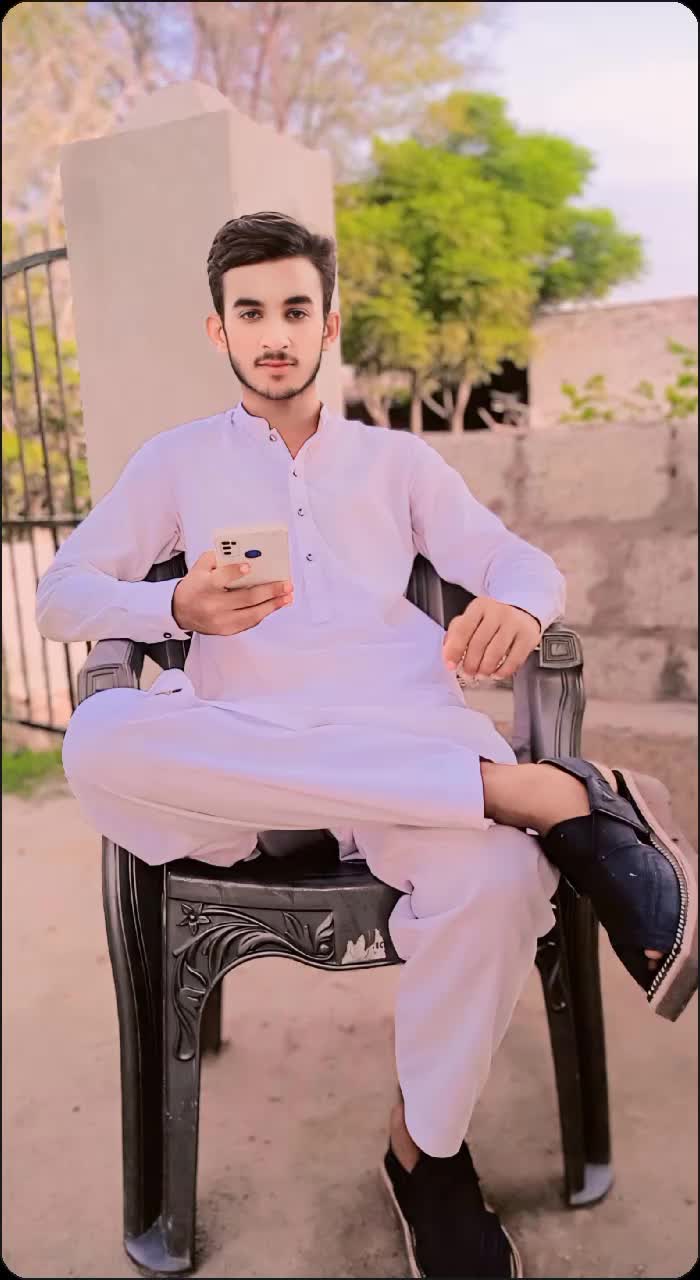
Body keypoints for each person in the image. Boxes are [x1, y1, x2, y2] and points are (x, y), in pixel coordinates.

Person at [35, 211, 697, 1280]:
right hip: (250, 759)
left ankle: (424, 1152)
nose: (275, 333)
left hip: (403, 738)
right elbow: (61, 594)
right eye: (251, 312)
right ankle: (532, 791)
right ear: (219, 329)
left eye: (296, 309)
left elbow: (521, 562)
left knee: (493, 881)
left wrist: (520, 608)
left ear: (329, 322)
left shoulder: (397, 461)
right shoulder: (176, 462)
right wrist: (174, 607)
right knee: (101, 737)